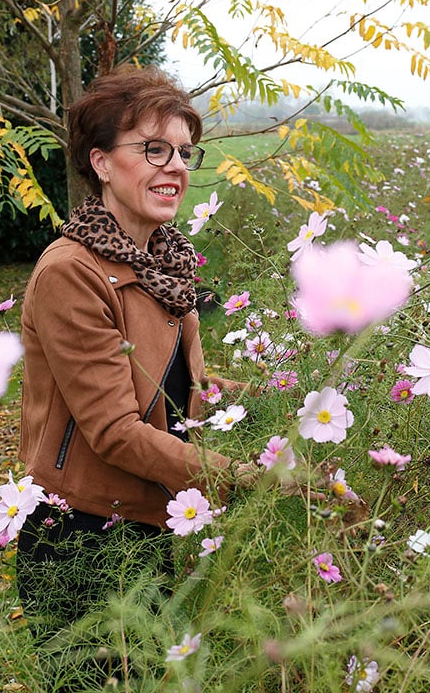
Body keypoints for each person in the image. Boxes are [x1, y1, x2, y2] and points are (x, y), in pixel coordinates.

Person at [15, 65, 252, 688]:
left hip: (151, 519)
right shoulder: (72, 273)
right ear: (99, 162)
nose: (174, 166)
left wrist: (302, 400)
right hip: (82, 537)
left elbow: (183, 393)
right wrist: (244, 480)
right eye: (152, 149)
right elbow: (116, 429)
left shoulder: (165, 263)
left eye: (183, 152)